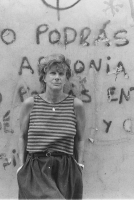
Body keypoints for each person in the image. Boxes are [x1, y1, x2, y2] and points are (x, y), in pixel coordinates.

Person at [17, 54, 86, 199]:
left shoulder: (75, 105)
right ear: (44, 77)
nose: (57, 77)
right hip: (36, 168)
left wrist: (79, 165)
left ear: (66, 78)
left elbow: (80, 139)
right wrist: (21, 167)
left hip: (66, 169)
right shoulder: (31, 104)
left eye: (61, 74)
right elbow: (22, 136)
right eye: (52, 73)